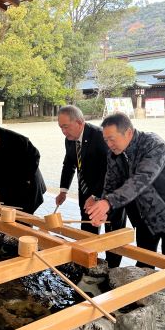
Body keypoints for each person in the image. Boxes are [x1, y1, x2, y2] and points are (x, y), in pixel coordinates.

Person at [86, 113, 165, 263]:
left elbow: (141, 179)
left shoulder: (154, 144)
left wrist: (108, 202)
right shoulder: (114, 154)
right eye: (106, 140)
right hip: (143, 217)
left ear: (128, 132)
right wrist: (104, 210)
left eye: (112, 139)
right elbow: (111, 184)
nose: (109, 144)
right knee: (144, 264)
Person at [55, 105, 124, 267]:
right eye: (60, 127)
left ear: (79, 122)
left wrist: (96, 196)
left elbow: (110, 171)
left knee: (112, 233)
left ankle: (112, 269)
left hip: (110, 194)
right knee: (87, 228)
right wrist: (63, 191)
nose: (63, 131)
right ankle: (89, 264)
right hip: (86, 191)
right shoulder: (70, 139)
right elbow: (69, 164)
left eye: (66, 126)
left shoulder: (100, 137)